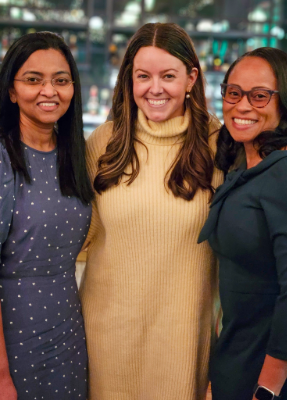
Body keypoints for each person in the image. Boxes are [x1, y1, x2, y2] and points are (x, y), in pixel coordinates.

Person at [80, 22, 223, 400]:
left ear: (191, 78)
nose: (154, 88)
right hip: (104, 339)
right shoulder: (104, 143)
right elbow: (78, 239)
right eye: (143, 76)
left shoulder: (219, 145)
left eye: (168, 76)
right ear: (130, 79)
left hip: (182, 342)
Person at [198, 47, 287, 400]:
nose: (242, 106)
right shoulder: (245, 170)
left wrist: (267, 389)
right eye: (233, 92)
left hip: (269, 377)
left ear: (286, 102)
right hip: (237, 363)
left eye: (259, 96)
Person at [0, 32, 94, 400]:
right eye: (33, 79)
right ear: (11, 90)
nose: (49, 91)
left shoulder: (75, 155)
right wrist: (1, 372)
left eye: (60, 79)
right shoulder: (4, 158)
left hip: (68, 324)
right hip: (13, 332)